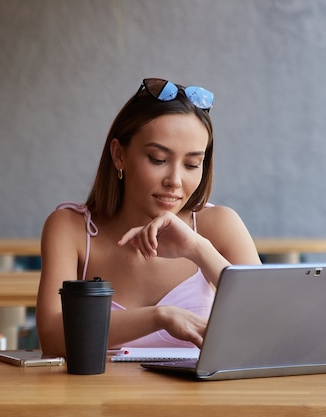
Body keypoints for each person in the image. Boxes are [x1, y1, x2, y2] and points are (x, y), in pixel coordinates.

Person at [36, 78, 261, 355]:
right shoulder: (70, 229)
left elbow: (269, 326)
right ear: (119, 155)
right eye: (157, 159)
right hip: (98, 399)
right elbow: (52, 335)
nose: (175, 181)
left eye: (192, 164)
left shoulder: (219, 226)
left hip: (200, 399)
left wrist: (198, 249)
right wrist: (160, 317)